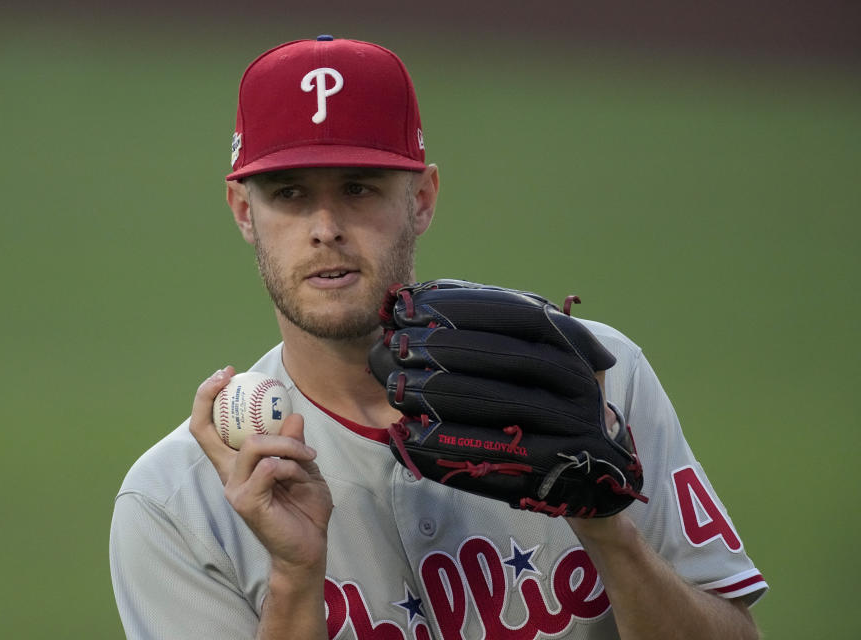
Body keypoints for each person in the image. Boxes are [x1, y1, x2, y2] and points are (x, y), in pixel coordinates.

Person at [109, 36, 767, 640]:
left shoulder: (589, 378)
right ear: (244, 212)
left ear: (421, 199)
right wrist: (294, 578)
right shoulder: (177, 503)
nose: (326, 225)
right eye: (290, 192)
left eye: (360, 187)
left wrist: (610, 534)